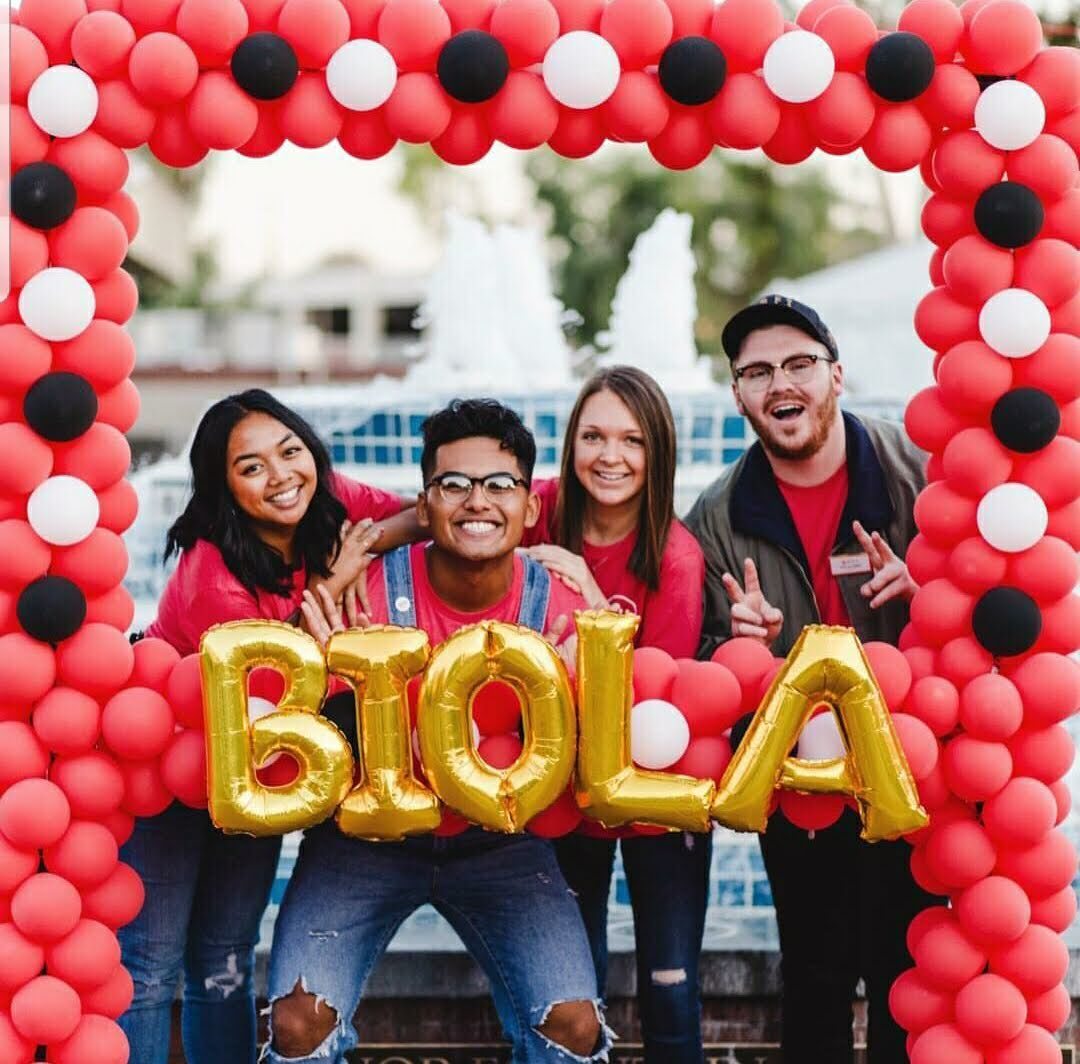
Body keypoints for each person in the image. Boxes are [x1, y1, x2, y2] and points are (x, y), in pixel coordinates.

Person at [265, 398, 613, 1064]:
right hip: (365, 842)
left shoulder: (564, 604)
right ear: (424, 506)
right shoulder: (360, 593)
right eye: (454, 484)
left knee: (573, 1026)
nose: (475, 501)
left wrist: (589, 671)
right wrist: (319, 666)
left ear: (529, 507)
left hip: (501, 845)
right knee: (297, 1026)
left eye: (498, 485)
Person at [120, 389, 417, 1064]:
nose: (281, 475)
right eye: (251, 467)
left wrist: (362, 548)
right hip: (176, 765)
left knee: (225, 959)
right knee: (150, 964)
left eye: (290, 451)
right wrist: (337, 584)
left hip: (257, 768)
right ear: (223, 487)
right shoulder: (211, 570)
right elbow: (271, 686)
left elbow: (418, 513)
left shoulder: (324, 496)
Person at [684, 296, 939, 1063]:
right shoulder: (719, 517)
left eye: (798, 364)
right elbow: (700, 676)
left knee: (911, 978)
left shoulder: (918, 476)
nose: (778, 384)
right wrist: (740, 649)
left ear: (836, 375)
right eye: (756, 372)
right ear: (737, 396)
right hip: (803, 785)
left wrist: (928, 594)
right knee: (816, 980)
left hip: (915, 771)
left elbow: (1000, 615)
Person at [521, 366, 709, 1063]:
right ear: (571, 443)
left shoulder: (677, 558)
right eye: (593, 435)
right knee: (574, 980)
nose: (610, 455)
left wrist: (593, 598)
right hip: (565, 784)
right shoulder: (538, 510)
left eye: (631, 440)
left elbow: (659, 714)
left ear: (657, 451)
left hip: (654, 794)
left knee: (670, 981)